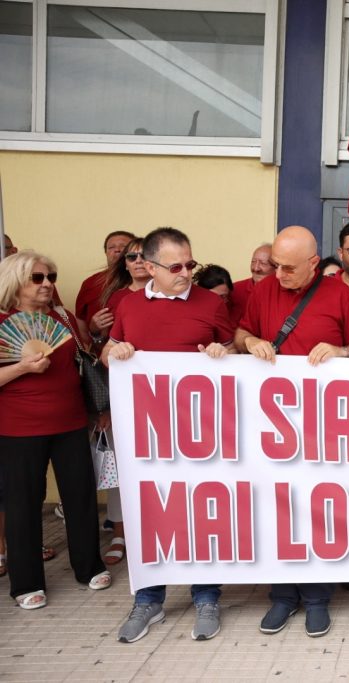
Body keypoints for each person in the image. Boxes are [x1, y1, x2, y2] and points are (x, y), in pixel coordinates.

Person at [102, 227, 234, 643]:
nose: (186, 274)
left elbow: (234, 350)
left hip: (201, 433)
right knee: (151, 515)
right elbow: (109, 350)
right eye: (175, 266)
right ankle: (148, 598)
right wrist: (114, 352)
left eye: (190, 264)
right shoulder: (126, 304)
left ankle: (207, 596)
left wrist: (222, 353)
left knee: (201, 512)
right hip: (147, 436)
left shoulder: (211, 303)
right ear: (149, 266)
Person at [236, 226, 349, 639]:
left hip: (323, 426)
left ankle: (316, 598)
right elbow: (239, 334)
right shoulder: (264, 291)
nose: (278, 274)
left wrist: (341, 351)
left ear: (314, 263)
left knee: (314, 511)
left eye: (288, 268)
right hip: (271, 426)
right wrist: (252, 340)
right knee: (275, 511)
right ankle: (281, 596)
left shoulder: (340, 294)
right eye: (274, 265)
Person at [0, 251, 111, 609]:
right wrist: (22, 368)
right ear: (16, 281)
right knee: (23, 506)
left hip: (70, 421)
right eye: (37, 278)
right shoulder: (3, 321)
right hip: (18, 428)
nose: (47, 284)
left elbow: (86, 359)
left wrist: (96, 410)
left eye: (51, 277)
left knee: (80, 497)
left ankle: (88, 566)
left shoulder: (62, 318)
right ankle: (26, 583)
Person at [95, 237, 151, 567]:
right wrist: (103, 337)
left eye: (146, 256)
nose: (139, 262)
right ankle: (120, 532)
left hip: (159, 400)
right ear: (124, 263)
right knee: (124, 467)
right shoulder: (117, 299)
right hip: (126, 398)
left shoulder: (169, 297)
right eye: (132, 257)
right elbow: (102, 353)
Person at [75, 230, 135, 344]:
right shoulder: (91, 283)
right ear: (106, 253)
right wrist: (94, 330)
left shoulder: (150, 282)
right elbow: (81, 328)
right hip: (103, 354)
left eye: (124, 246)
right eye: (111, 247)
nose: (117, 250)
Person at [229, 243, 274, 325]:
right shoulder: (235, 290)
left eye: (263, 263)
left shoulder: (284, 293)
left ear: (277, 267)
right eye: (253, 262)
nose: (256, 268)